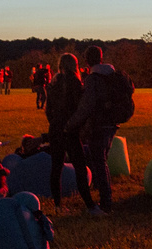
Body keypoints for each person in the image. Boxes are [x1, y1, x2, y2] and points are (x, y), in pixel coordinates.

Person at [69, 45, 128, 216]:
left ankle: (106, 202)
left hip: (99, 124)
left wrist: (71, 124)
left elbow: (86, 106)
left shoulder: (93, 79)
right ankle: (105, 196)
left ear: (86, 60)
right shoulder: (112, 75)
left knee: (99, 163)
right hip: (112, 123)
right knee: (102, 160)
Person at [41, 53, 87, 209]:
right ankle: (89, 203)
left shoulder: (53, 82)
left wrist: (54, 123)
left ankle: (57, 203)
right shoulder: (75, 82)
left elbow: (48, 110)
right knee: (80, 167)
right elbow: (79, 108)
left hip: (55, 129)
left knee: (56, 167)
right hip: (70, 130)